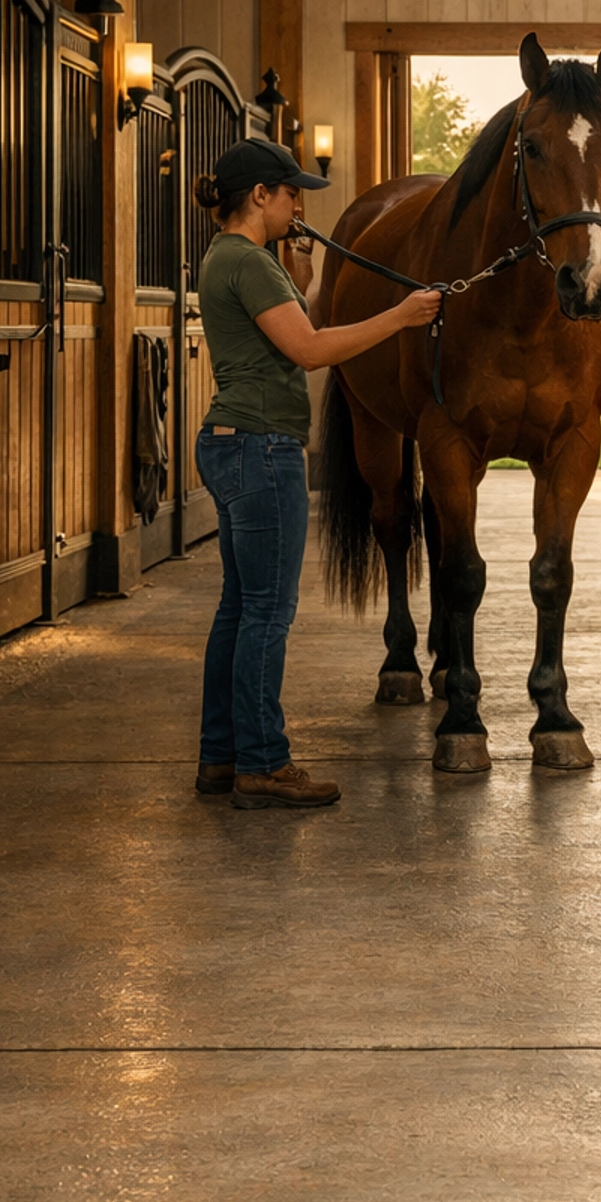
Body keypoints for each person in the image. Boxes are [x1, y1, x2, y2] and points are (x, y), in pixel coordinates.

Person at [192, 138, 442, 810]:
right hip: (261, 448)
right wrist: (400, 315)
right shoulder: (248, 262)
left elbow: (284, 329)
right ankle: (264, 765)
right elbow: (308, 350)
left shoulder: (231, 259)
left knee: (239, 610)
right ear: (260, 198)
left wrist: (303, 280)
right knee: (269, 616)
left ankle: (221, 756)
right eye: (291, 193)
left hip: (230, 442)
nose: (299, 206)